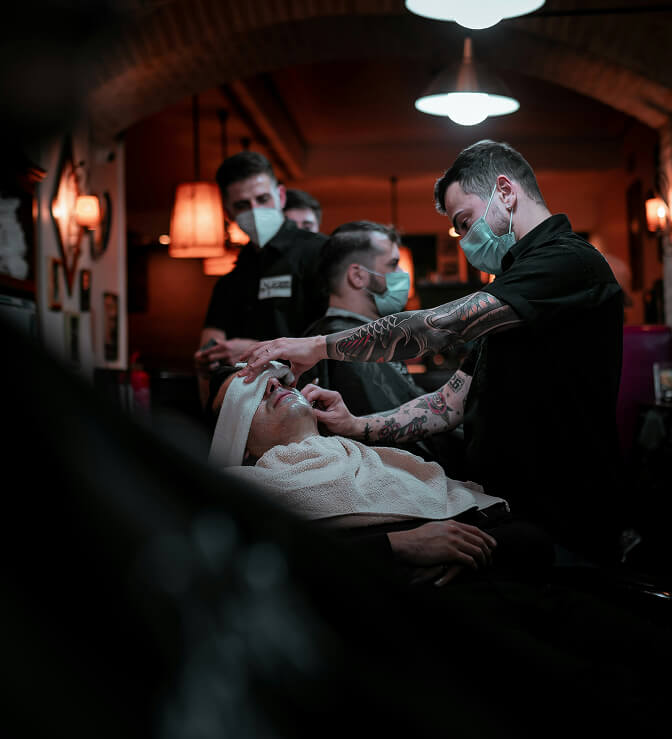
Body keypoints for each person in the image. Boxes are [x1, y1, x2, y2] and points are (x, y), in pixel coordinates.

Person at [237, 139, 626, 565]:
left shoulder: (569, 263)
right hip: (510, 508)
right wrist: (355, 426)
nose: (464, 240)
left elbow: (442, 326)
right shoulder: (514, 288)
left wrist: (319, 346)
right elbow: (447, 403)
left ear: (506, 192)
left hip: (567, 514)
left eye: (465, 221)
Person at [208, 362, 554, 586]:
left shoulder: (382, 462)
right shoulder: (244, 500)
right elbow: (285, 576)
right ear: (237, 443)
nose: (272, 385)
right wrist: (397, 547)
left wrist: (467, 553)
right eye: (246, 394)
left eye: (276, 377)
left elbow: (528, 539)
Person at [299, 220, 466, 476]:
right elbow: (402, 443)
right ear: (357, 276)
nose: (402, 274)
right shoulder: (343, 345)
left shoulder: (338, 337)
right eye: (392, 264)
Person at [193, 152, 328, 409]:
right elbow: (210, 342)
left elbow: (340, 342)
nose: (255, 211)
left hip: (312, 406)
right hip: (249, 413)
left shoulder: (319, 253)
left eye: (263, 199)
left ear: (281, 196)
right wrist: (207, 361)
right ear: (228, 212)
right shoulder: (232, 279)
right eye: (243, 205)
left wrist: (258, 351)